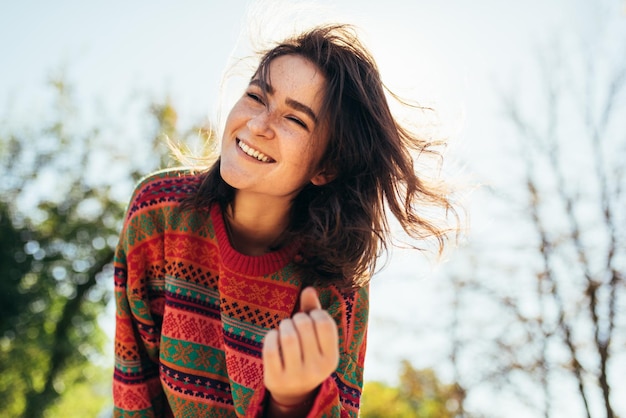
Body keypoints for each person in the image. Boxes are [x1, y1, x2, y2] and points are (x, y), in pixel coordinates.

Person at [112, 23, 458, 418]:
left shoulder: (335, 289)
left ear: (326, 166)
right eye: (257, 97)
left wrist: (293, 401)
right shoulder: (157, 216)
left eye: (295, 120)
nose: (258, 124)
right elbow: (133, 389)